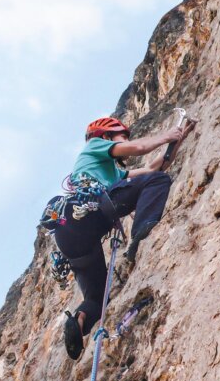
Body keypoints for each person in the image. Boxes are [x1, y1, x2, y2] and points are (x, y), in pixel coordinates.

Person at [55, 116, 192, 360]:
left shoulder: (112, 172)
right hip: (90, 211)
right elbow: (141, 151)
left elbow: (151, 169)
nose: (126, 142)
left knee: (97, 299)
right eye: (122, 137)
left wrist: (177, 141)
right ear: (106, 137)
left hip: (71, 237)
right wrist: (167, 135)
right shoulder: (94, 146)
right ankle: (142, 232)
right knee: (158, 182)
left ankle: (79, 321)